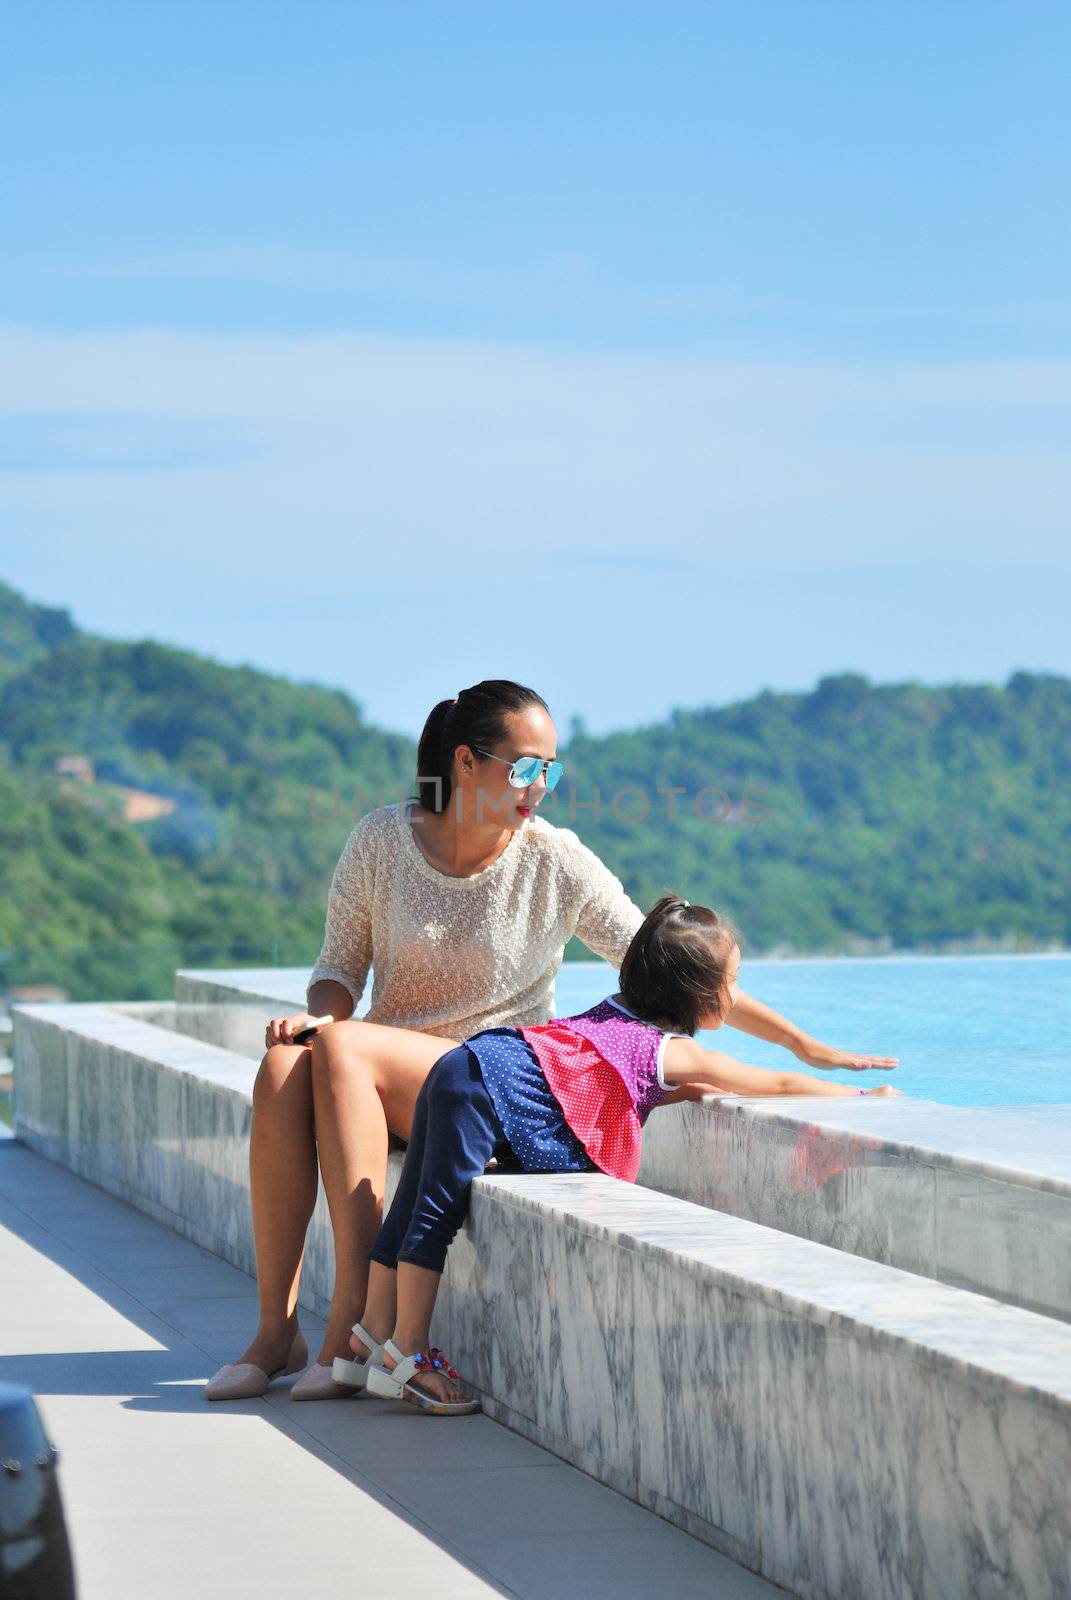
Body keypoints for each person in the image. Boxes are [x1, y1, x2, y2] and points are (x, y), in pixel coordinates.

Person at [206, 682, 899, 1401]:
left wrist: (802, 1046)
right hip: (378, 1070)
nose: (541, 787)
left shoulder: (554, 859)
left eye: (551, 770)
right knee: (287, 1062)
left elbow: (670, 967)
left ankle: (347, 1327)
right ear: (466, 764)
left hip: (486, 1082)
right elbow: (337, 970)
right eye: (525, 768)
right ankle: (273, 1331)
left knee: (345, 1049)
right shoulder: (380, 839)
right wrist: (321, 1015)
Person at [336, 894, 903, 1414]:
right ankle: (408, 1351)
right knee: (436, 1214)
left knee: (412, 1201)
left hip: (468, 1064)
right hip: (484, 1087)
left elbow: (596, 1071)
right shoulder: (667, 1049)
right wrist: (859, 1097)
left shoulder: (616, 1010)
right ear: (698, 995)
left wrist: (672, 1088)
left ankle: (369, 1333)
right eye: (731, 983)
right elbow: (771, 1085)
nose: (734, 998)